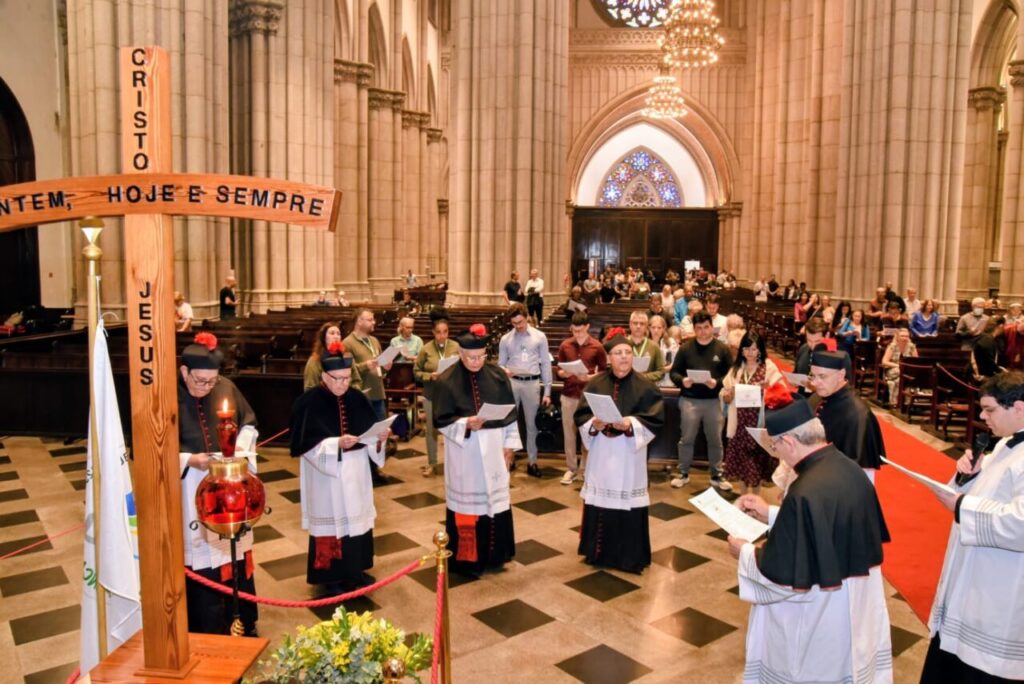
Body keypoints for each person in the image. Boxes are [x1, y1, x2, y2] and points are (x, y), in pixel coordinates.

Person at [729, 396, 892, 683]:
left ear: (790, 443)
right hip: (851, 601)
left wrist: (743, 551)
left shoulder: (804, 489)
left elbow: (782, 572)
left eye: (775, 446)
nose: (777, 453)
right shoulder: (848, 468)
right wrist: (770, 513)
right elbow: (821, 524)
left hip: (817, 613)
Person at [920, 371, 1024, 682]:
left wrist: (963, 506)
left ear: (1019, 407)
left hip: (999, 589)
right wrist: (969, 477)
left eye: (990, 409)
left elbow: (1020, 521)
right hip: (973, 578)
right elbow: (989, 493)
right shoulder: (1006, 444)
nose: (982, 416)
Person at [289, 342, 388, 594]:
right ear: (324, 376)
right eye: (337, 379)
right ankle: (330, 576)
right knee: (332, 521)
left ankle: (356, 571)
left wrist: (379, 438)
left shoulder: (357, 398)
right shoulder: (307, 403)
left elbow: (369, 432)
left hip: (355, 473)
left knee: (357, 518)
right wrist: (335, 444)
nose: (343, 384)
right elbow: (305, 445)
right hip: (325, 477)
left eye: (346, 378)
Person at [177, 332, 259, 636]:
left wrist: (239, 449)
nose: (207, 388)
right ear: (184, 371)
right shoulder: (165, 395)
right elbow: (148, 450)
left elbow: (249, 423)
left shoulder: (225, 387)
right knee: (202, 561)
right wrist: (188, 459)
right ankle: (207, 625)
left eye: (212, 381)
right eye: (200, 381)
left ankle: (242, 619)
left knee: (233, 551)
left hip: (229, 488)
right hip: (189, 491)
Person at [433, 324, 521, 576]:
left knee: (495, 502)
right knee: (469, 505)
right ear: (460, 354)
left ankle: (496, 555)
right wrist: (465, 423)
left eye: (481, 357)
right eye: (471, 357)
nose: (476, 362)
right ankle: (468, 559)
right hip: (465, 451)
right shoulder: (447, 380)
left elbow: (510, 413)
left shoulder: (497, 375)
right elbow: (441, 421)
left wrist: (510, 446)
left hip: (494, 448)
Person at [573, 330, 664, 573]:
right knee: (601, 501)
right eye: (618, 353)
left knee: (628, 504)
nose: (624, 357)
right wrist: (594, 423)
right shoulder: (596, 383)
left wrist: (631, 423)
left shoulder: (646, 386)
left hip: (628, 456)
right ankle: (597, 553)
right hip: (602, 454)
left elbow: (655, 419)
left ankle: (628, 557)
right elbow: (581, 415)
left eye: (627, 353)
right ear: (609, 358)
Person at [670, 311, 733, 490]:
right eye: (699, 328)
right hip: (690, 400)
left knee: (715, 439)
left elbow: (730, 374)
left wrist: (718, 382)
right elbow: (674, 372)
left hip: (714, 401)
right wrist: (682, 381)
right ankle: (683, 472)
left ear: (712, 327)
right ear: (694, 329)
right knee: (687, 438)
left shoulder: (722, 349)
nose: (703, 332)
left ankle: (716, 475)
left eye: (706, 327)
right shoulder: (685, 348)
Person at [808, 349, 886, 481]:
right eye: (812, 376)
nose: (815, 383)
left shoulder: (858, 415)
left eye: (822, 376)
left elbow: (862, 475)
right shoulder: (817, 397)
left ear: (841, 374)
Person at [721, 331, 784, 494]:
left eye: (754, 349)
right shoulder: (736, 369)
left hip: (759, 423)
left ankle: (756, 500)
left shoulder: (768, 367)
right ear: (741, 350)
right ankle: (743, 497)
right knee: (742, 464)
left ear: (760, 350)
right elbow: (724, 393)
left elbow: (781, 392)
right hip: (740, 425)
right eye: (747, 349)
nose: (750, 353)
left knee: (756, 465)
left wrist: (767, 388)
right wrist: (728, 395)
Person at [498, 303, 552, 477]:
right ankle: (509, 458)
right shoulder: (506, 339)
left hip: (531, 383)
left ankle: (532, 461)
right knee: (510, 423)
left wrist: (548, 391)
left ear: (527, 317)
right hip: (512, 382)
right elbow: (500, 364)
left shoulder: (539, 337)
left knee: (531, 425)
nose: (518, 326)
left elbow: (545, 364)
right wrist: (504, 370)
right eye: (514, 323)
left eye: (520, 322)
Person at [555, 312, 607, 485]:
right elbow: (559, 370)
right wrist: (564, 372)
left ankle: (586, 469)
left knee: (588, 433)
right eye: (574, 331)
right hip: (568, 394)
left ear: (587, 327)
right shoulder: (565, 345)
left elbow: (604, 372)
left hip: (588, 398)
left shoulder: (597, 347)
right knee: (569, 434)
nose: (577, 334)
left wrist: (590, 378)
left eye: (580, 331)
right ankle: (571, 469)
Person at [413, 313, 460, 477]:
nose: (442, 335)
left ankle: (454, 464)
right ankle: (432, 463)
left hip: (451, 395)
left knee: (452, 428)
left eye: (445, 332)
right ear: (433, 332)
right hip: (431, 394)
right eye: (439, 332)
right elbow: (416, 372)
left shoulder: (455, 347)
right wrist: (429, 376)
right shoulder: (426, 349)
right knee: (431, 430)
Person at [344, 308, 392, 421]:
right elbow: (346, 371)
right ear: (359, 321)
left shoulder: (374, 340)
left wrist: (386, 367)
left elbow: (379, 367)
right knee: (364, 434)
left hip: (378, 393)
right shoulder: (347, 343)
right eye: (370, 320)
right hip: (362, 395)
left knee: (380, 433)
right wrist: (366, 366)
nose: (374, 322)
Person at [881, 328, 918, 407]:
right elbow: (884, 361)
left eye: (906, 336)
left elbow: (916, 360)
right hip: (893, 369)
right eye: (902, 336)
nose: (904, 338)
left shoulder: (912, 346)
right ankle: (895, 401)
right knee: (899, 373)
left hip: (907, 370)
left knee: (903, 378)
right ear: (898, 337)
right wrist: (898, 365)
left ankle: (907, 402)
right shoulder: (892, 346)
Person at [627, 310, 665, 384]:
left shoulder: (654, 346)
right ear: (630, 324)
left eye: (642, 324)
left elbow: (661, 372)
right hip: (626, 387)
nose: (638, 326)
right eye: (635, 323)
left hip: (647, 389)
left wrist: (645, 377)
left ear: (646, 326)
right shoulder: (622, 344)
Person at [304, 321, 344, 390]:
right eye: (332, 333)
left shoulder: (345, 357)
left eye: (338, 334)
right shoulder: (314, 361)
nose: (336, 336)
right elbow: (309, 388)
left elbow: (355, 380)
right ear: (324, 338)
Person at [970, 316, 1004, 382]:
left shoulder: (984, 337)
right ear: (1001, 326)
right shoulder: (988, 340)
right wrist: (1001, 371)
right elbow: (989, 362)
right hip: (980, 376)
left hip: (981, 373)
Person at [648, 314, 676, 386]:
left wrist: (660, 371)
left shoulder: (670, 342)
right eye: (653, 327)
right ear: (649, 328)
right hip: (649, 381)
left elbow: (675, 363)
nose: (656, 330)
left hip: (666, 381)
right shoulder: (645, 342)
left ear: (664, 328)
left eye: (659, 328)